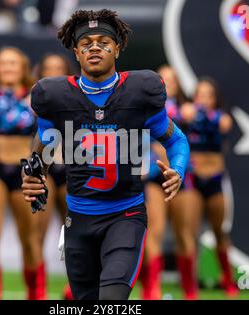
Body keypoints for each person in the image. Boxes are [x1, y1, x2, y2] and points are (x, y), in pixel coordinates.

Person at [22, 9, 190, 300]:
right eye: (86, 44)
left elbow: (177, 139)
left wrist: (178, 169)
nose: (95, 48)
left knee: (111, 300)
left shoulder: (139, 91)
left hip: (125, 215)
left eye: (103, 42)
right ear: (76, 53)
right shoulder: (56, 95)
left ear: (118, 48)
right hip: (78, 219)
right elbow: (44, 145)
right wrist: (34, 173)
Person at [0, 47, 44, 300]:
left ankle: (36, 293)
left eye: (13, 63)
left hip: (25, 171)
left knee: (29, 238)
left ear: (23, 68)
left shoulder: (36, 97)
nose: (7, 68)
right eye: (3, 63)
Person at [168, 77, 237, 299]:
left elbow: (223, 123)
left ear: (215, 99)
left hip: (215, 179)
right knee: (188, 232)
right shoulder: (183, 113)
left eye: (209, 95)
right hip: (192, 179)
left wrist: (203, 113)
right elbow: (170, 118)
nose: (204, 99)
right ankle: (190, 289)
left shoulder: (221, 118)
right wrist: (184, 113)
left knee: (220, 231)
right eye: (200, 95)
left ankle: (228, 279)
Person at [140, 65, 188, 299]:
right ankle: (152, 288)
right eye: (163, 79)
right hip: (152, 172)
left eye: (172, 80)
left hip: (182, 174)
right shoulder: (147, 108)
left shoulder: (188, 109)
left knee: (184, 233)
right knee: (153, 232)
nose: (167, 83)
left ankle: (190, 290)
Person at [35, 53, 75, 300]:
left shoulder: (77, 96)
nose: (53, 72)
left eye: (58, 68)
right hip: (44, 167)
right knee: (37, 231)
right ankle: (38, 290)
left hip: (70, 166)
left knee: (74, 229)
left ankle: (74, 286)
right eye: (48, 68)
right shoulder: (32, 98)